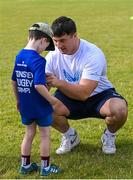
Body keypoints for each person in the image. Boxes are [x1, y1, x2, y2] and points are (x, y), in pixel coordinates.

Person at [45, 16, 128, 155]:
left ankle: (109, 136)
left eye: (63, 40)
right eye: (55, 41)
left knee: (119, 109)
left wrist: (59, 83)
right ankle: (70, 136)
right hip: (67, 97)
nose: (59, 45)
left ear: (75, 36)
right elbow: (43, 87)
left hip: (98, 96)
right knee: (44, 106)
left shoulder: (92, 53)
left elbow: (84, 93)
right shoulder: (53, 55)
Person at [12, 22, 67, 176]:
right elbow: (38, 85)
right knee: (44, 134)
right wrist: (52, 100)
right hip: (40, 106)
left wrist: (18, 100)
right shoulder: (39, 60)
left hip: (25, 105)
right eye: (46, 46)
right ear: (43, 40)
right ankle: (46, 168)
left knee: (29, 133)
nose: (44, 51)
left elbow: (14, 81)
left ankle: (25, 165)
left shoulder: (19, 56)